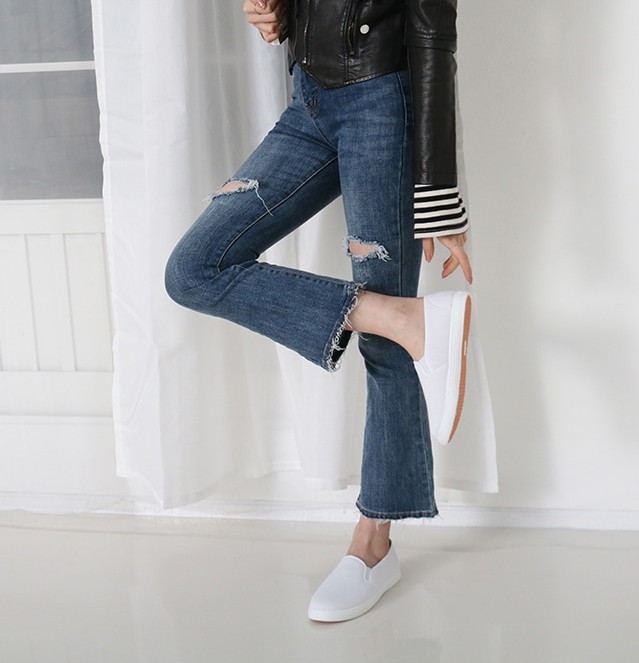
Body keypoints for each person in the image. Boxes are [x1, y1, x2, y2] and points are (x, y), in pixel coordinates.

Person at [164, 0, 473, 622]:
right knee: (194, 269)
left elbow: (433, 33)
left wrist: (438, 192)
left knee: (386, 347)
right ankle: (406, 319)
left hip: (382, 104)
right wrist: (281, 11)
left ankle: (374, 544)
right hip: (308, 101)